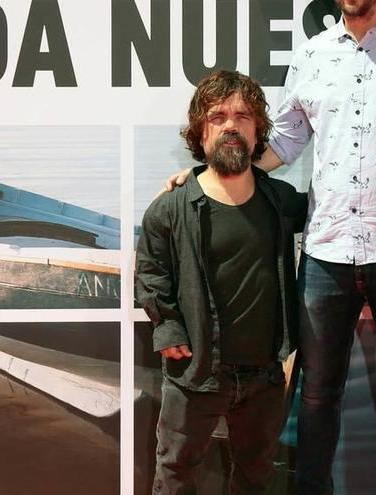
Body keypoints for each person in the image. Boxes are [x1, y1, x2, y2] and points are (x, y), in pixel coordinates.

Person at [164, 2, 376, 494]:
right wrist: (206, 177)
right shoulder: (311, 55)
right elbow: (282, 144)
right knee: (315, 394)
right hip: (327, 251)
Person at [135, 69, 307, 495]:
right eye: (218, 116)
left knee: (255, 476)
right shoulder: (170, 209)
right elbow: (151, 272)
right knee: (175, 473)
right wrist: (168, 326)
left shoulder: (282, 202)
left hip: (264, 375)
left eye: (243, 116)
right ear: (200, 130)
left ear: (258, 131)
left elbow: (343, 211)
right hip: (194, 373)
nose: (231, 124)